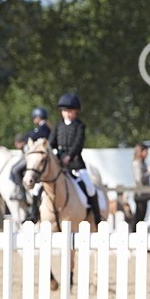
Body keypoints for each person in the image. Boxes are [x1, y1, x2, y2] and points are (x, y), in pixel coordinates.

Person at [48, 92, 102, 224]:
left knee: (89, 187)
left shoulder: (79, 126)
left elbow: (78, 144)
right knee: (41, 187)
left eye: (70, 111)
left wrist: (69, 156)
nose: (67, 113)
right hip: (59, 161)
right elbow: (51, 142)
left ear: (75, 112)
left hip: (75, 162)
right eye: (65, 111)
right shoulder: (57, 125)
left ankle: (96, 216)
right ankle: (34, 213)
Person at [10, 107, 52, 211]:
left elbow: (32, 135)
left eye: (34, 118)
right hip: (36, 155)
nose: (34, 120)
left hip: (37, 157)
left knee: (15, 170)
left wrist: (25, 138)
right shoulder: (42, 127)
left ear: (38, 117)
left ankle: (22, 194)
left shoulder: (43, 128)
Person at [131, 143, 150, 231]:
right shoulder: (137, 163)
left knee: (141, 216)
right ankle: (133, 234)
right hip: (140, 193)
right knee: (138, 216)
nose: (147, 153)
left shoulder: (142, 162)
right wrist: (149, 172)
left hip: (143, 192)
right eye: (146, 151)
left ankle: (136, 233)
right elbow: (139, 178)